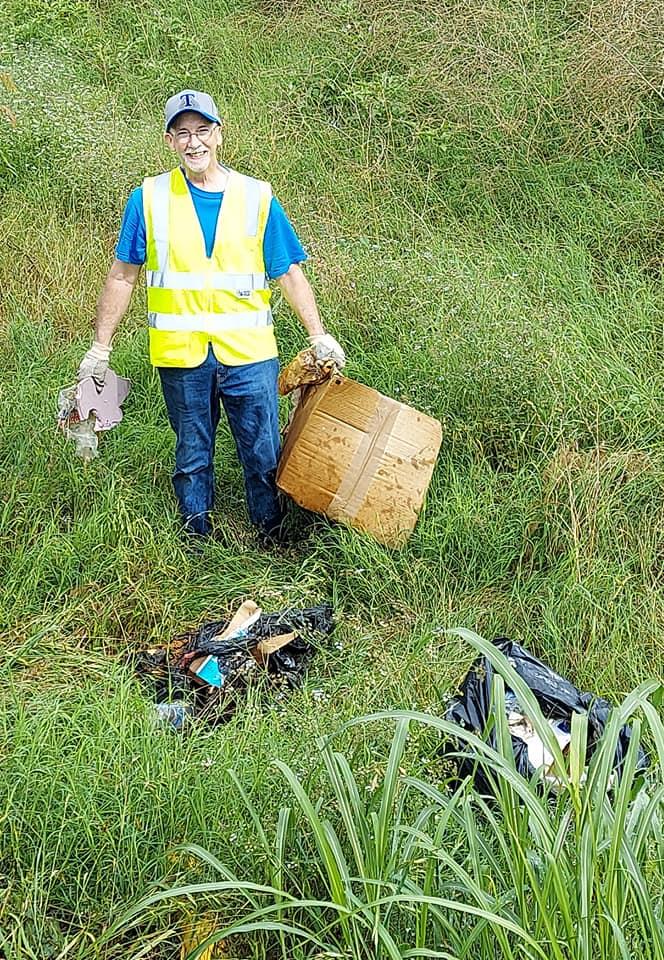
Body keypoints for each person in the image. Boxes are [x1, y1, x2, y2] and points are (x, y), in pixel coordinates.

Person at [78, 89, 345, 542]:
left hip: (250, 353)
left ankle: (270, 533)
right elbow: (123, 275)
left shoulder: (257, 197)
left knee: (262, 450)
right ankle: (195, 537)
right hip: (182, 356)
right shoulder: (148, 198)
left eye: (202, 131)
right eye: (182, 133)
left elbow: (288, 272)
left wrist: (318, 335)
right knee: (192, 452)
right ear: (169, 141)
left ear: (219, 135)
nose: (194, 142)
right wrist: (99, 348)